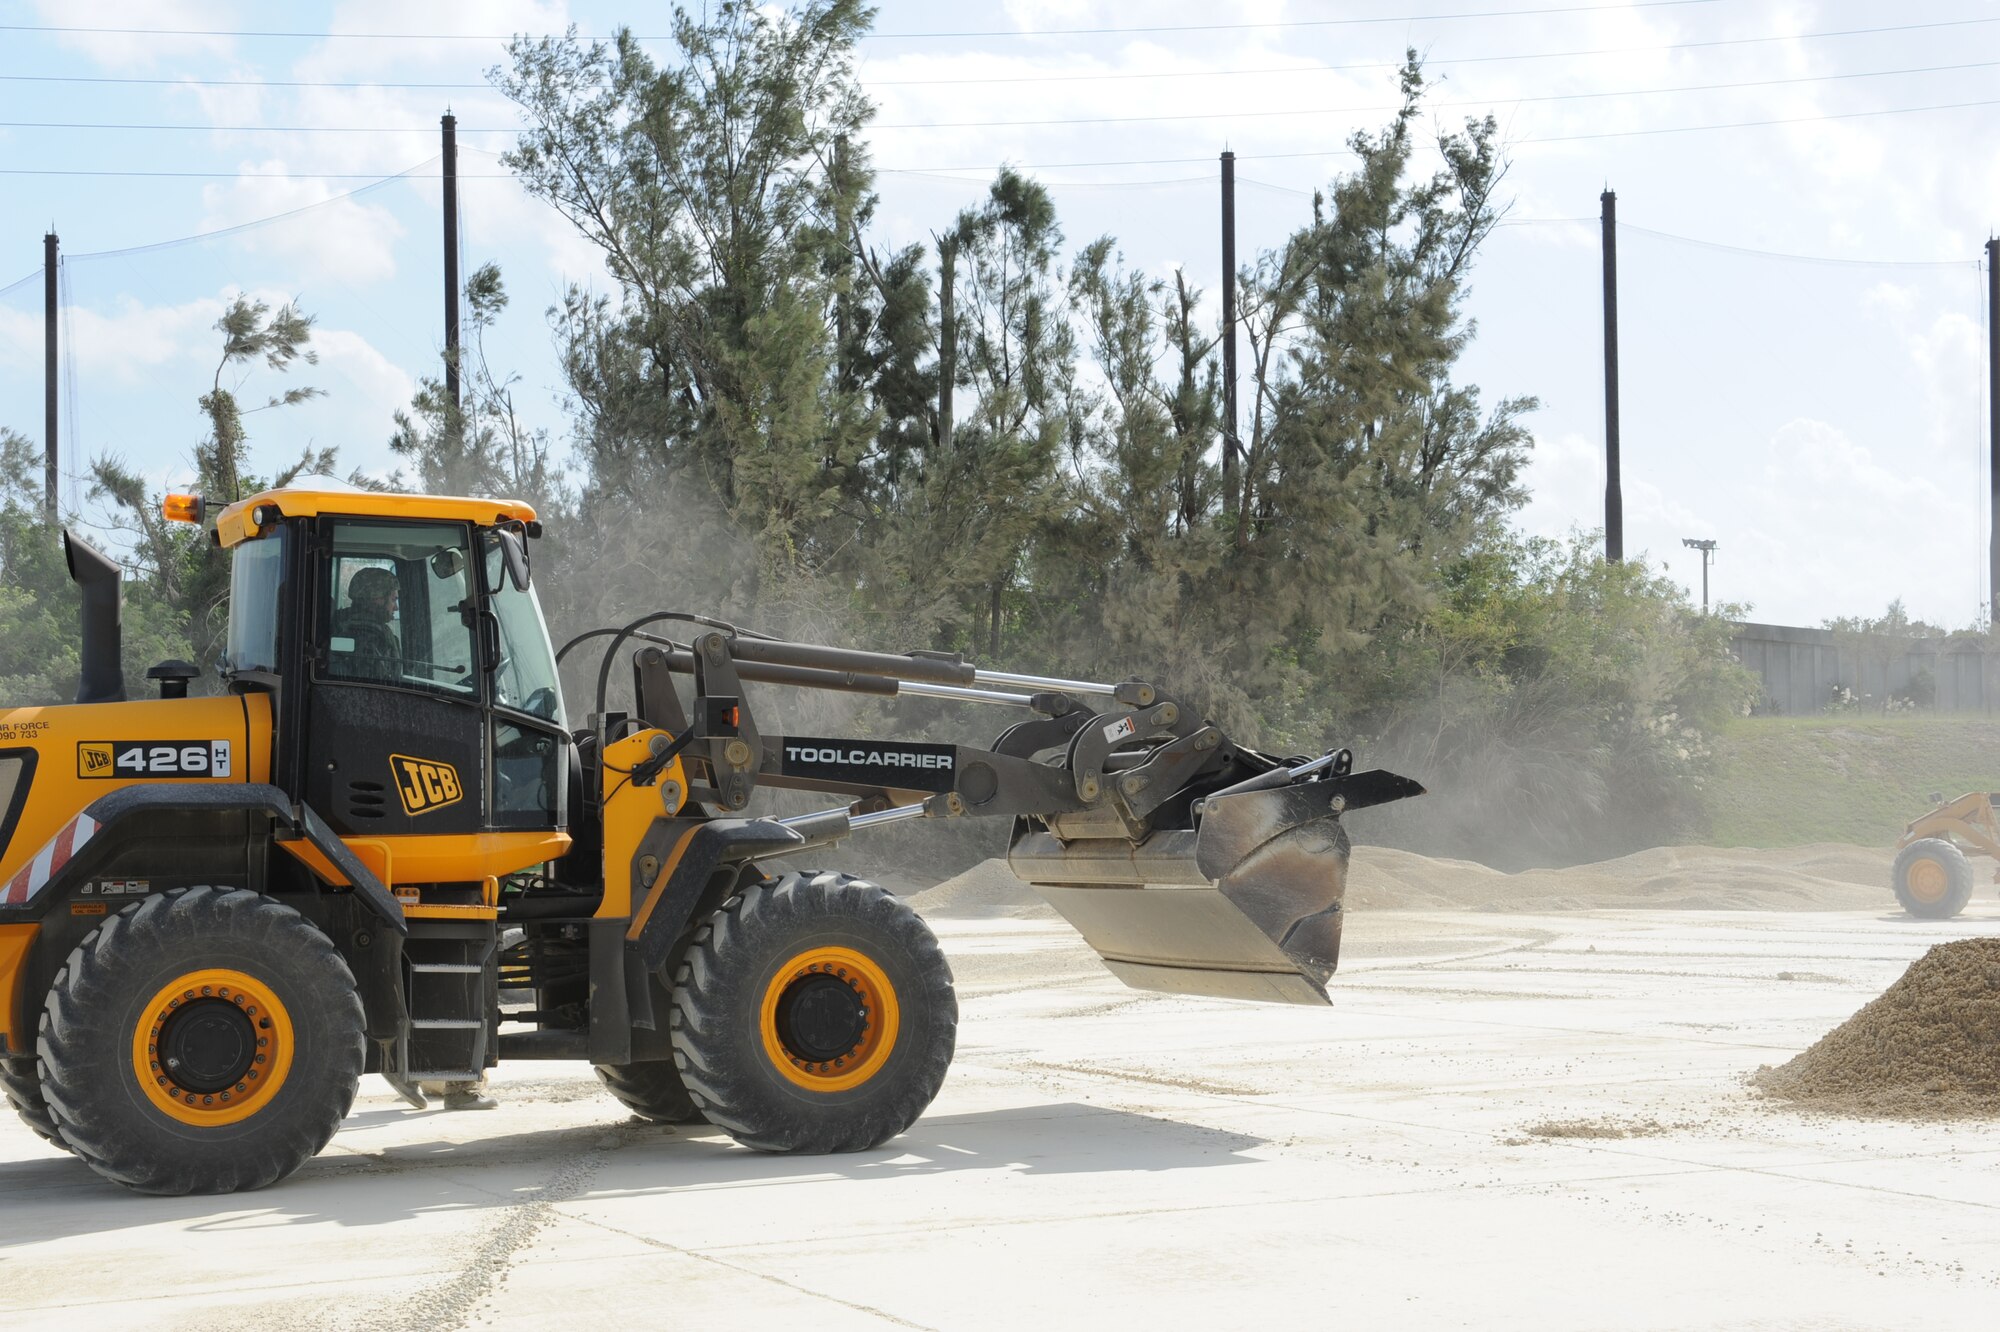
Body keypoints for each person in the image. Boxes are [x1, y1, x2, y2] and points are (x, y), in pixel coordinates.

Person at [334, 566, 402, 680]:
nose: (396, 608)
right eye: (393, 600)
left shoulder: (337, 625)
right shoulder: (375, 639)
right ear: (377, 598)